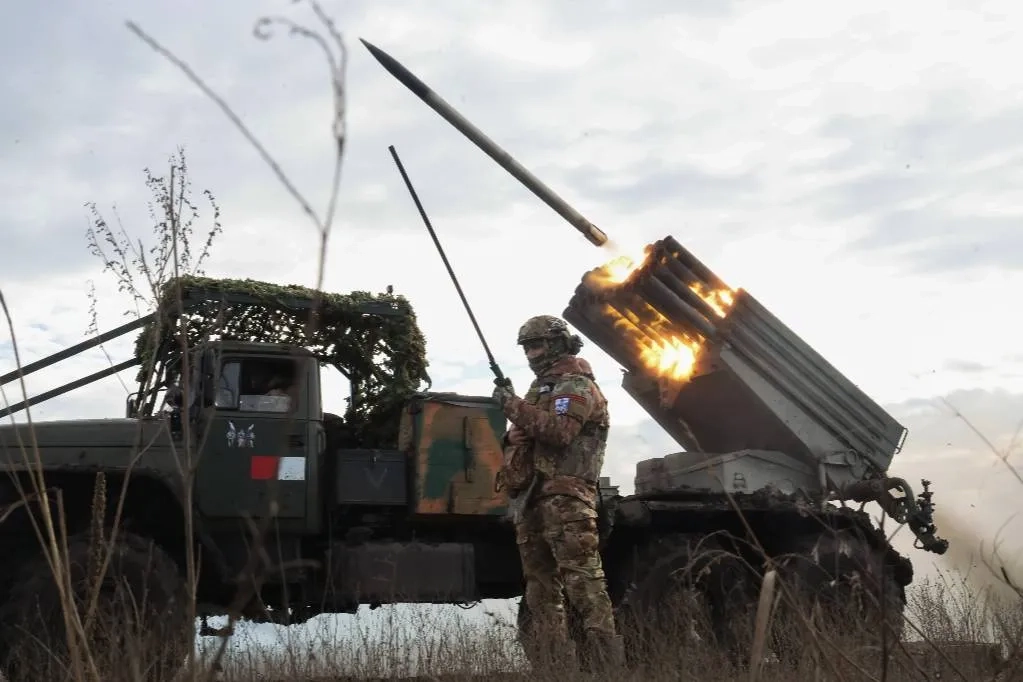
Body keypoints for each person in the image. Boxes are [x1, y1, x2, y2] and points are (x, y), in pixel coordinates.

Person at [492, 314, 624, 670]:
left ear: (558, 344)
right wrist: (511, 435)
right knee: (540, 590)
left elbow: (560, 433)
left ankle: (607, 670)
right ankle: (554, 669)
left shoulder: (575, 385)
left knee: (584, 585)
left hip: (567, 501)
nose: (531, 354)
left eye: (537, 345)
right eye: (526, 348)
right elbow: (529, 435)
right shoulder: (542, 390)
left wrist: (511, 405)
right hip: (532, 499)